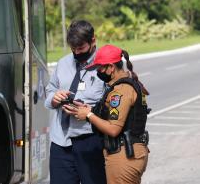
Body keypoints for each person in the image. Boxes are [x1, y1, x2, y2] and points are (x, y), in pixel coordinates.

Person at [73, 44, 150, 184]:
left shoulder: (121, 90)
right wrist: (90, 110)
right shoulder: (131, 83)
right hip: (131, 152)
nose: (98, 72)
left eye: (100, 68)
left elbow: (113, 129)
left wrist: (88, 116)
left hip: (124, 156)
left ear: (111, 67)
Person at [44, 20, 106, 184]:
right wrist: (55, 97)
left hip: (91, 142)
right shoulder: (63, 63)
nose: (77, 53)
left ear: (93, 40)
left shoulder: (106, 65)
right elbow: (49, 91)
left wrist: (89, 112)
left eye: (81, 48)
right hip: (61, 142)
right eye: (73, 49)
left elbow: (116, 107)